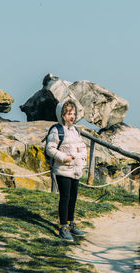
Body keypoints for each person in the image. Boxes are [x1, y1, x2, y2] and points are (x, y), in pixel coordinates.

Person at [46, 99, 87, 241]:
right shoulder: (56, 130)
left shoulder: (75, 131)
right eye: (69, 113)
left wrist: (82, 159)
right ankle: (63, 226)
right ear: (62, 114)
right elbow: (50, 149)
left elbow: (82, 147)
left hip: (75, 170)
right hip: (63, 170)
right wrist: (64, 158)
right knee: (65, 198)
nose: (72, 116)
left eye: (74, 114)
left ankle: (70, 223)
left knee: (73, 198)